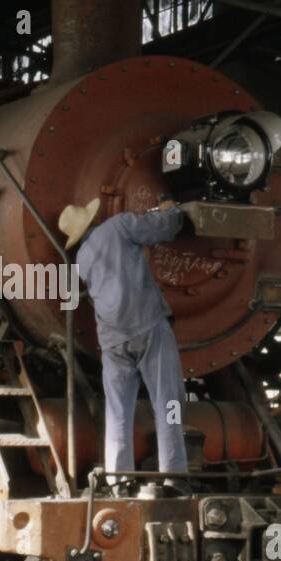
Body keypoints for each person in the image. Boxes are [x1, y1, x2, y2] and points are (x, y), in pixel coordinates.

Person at [61, 197, 190, 499]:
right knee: (168, 402)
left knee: (118, 411)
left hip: (112, 341)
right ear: (91, 218)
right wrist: (171, 210)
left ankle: (119, 481)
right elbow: (163, 228)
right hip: (147, 326)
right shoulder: (117, 226)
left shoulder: (81, 260)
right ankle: (174, 474)